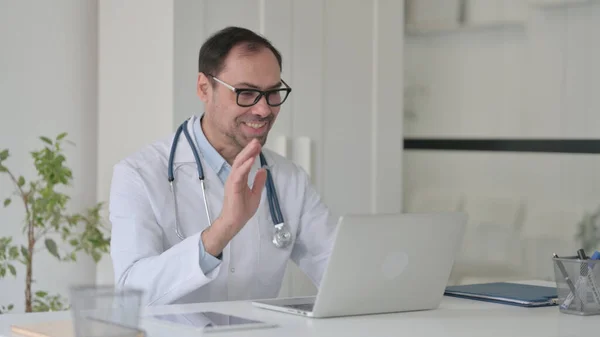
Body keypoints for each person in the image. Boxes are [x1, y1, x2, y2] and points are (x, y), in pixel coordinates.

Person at [108, 26, 337, 306]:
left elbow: (339, 273)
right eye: (246, 93)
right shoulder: (139, 175)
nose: (264, 109)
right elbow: (131, 294)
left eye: (273, 92)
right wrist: (223, 229)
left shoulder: (290, 180)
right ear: (204, 88)